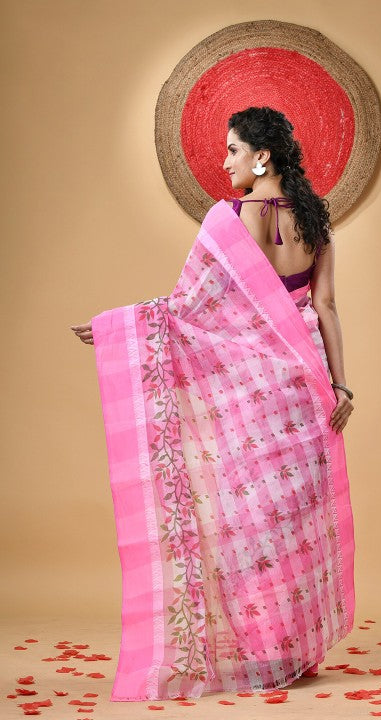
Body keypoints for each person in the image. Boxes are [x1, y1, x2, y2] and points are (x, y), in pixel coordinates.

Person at [70, 106, 356, 701]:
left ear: (262, 156)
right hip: (306, 387)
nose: (225, 162)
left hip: (254, 390)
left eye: (233, 150)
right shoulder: (316, 219)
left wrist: (119, 327)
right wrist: (342, 387)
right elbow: (326, 306)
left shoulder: (235, 217)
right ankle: (293, 653)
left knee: (249, 517)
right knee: (293, 524)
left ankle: (261, 654)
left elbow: (190, 308)